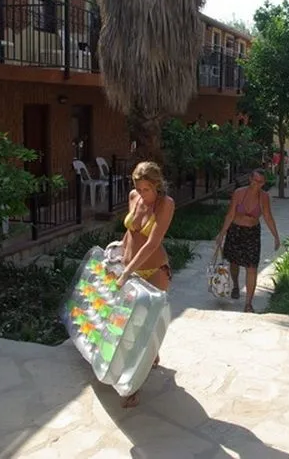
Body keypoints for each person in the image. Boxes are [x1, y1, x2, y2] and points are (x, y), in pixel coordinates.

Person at [116, 161, 175, 408]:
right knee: (129, 327)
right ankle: (149, 354)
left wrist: (126, 272)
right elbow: (131, 232)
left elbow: (152, 243)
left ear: (157, 186)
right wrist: (118, 251)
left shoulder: (166, 204)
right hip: (130, 269)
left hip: (154, 271)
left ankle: (132, 387)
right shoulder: (134, 197)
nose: (142, 194)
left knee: (143, 328)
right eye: (139, 189)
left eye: (147, 189)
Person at [216, 169, 280, 313]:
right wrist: (222, 233)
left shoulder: (264, 197)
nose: (257, 184)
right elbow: (230, 214)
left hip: (252, 233)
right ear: (250, 179)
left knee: (252, 267)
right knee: (234, 262)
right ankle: (236, 285)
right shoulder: (239, 193)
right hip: (236, 231)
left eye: (261, 182)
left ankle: (248, 303)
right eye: (255, 180)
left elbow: (268, 216)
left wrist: (276, 236)